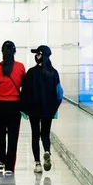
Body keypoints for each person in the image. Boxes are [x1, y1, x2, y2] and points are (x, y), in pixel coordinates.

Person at [20, 45, 63, 173]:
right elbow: (59, 93)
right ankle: (47, 151)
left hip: (34, 110)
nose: (36, 56)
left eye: (37, 54)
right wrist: (54, 108)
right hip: (47, 110)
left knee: (35, 135)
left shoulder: (31, 73)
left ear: (40, 56)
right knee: (45, 133)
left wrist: (24, 110)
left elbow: (25, 92)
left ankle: (38, 164)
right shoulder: (53, 73)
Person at [0, 41, 25, 175]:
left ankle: (0, 161)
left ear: (2, 52)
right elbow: (23, 84)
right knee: (13, 136)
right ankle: (9, 167)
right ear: (14, 52)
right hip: (15, 105)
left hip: (0, 106)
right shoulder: (20, 67)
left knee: (0, 133)